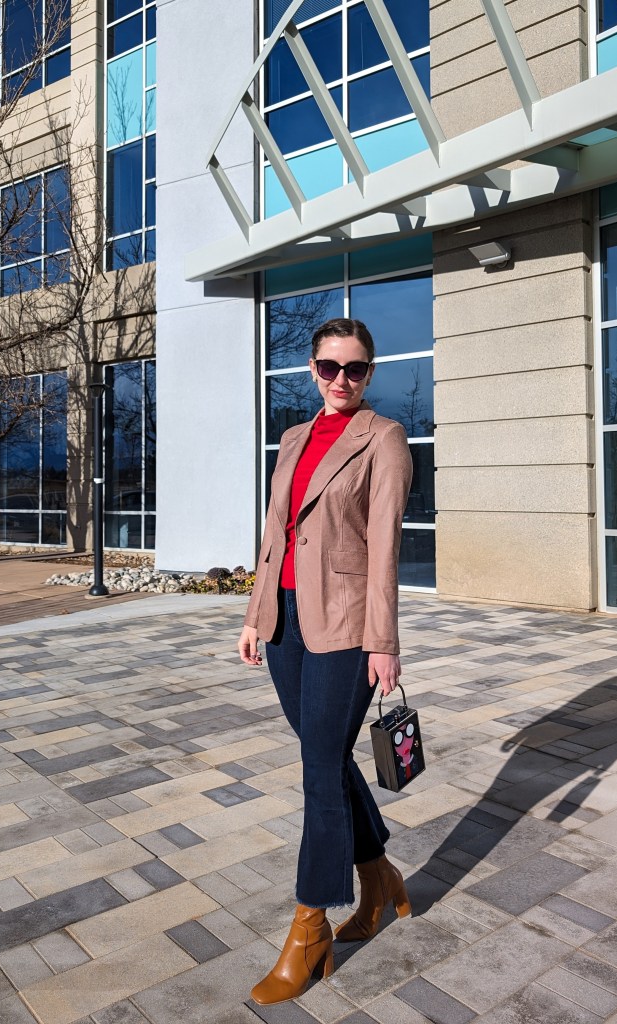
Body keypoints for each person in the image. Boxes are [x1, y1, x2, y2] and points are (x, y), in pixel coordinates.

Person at [238, 317, 413, 1006]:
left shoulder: (384, 438)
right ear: (312, 369)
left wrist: (383, 640)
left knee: (318, 768)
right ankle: (380, 879)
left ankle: (309, 927)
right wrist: (254, 614)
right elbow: (274, 533)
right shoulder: (292, 437)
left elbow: (385, 545)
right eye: (329, 367)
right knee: (327, 756)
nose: (342, 379)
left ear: (369, 373)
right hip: (285, 622)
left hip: (344, 624)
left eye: (355, 368)